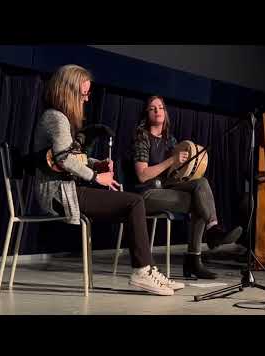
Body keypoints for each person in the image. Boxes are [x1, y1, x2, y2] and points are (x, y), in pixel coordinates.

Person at [33, 64, 184, 296]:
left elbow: (70, 156)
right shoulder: (56, 118)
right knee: (134, 202)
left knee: (131, 206)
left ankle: (147, 268)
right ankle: (142, 271)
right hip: (59, 195)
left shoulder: (60, 118)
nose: (86, 99)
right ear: (69, 92)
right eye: (83, 94)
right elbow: (64, 159)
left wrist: (96, 164)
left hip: (67, 190)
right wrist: (97, 177)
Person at [132, 95, 242, 279]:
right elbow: (142, 175)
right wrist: (172, 160)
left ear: (166, 113)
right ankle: (195, 258)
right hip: (147, 194)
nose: (158, 110)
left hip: (167, 189)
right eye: (153, 108)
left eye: (161, 107)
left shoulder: (171, 141)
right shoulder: (141, 137)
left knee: (202, 184)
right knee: (199, 202)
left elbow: (175, 176)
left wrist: (186, 168)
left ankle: (212, 229)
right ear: (147, 114)